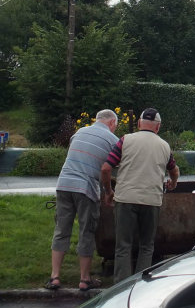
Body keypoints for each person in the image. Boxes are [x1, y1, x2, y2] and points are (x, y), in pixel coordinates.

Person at [100, 108, 179, 283]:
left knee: (123, 246)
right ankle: (140, 286)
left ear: (138, 124)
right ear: (158, 127)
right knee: (146, 246)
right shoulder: (164, 146)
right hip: (151, 201)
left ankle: (121, 286)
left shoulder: (125, 140)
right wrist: (173, 183)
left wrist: (108, 192)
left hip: (125, 199)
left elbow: (106, 168)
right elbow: (174, 170)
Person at [46, 109, 119, 291]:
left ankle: (54, 277)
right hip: (85, 188)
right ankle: (84, 279)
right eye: (115, 126)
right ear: (111, 123)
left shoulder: (79, 132)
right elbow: (111, 167)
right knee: (87, 231)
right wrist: (109, 190)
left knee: (62, 230)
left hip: (64, 184)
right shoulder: (113, 140)